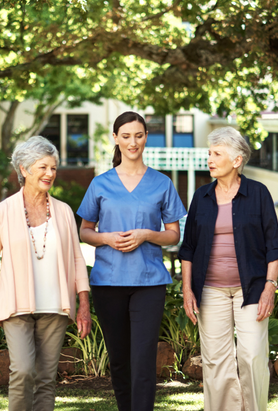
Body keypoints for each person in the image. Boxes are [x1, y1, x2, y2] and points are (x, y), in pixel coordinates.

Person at [77, 111, 186, 411]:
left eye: (138, 135)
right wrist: (106, 239)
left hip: (148, 284)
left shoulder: (162, 183)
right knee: (120, 361)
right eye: (126, 136)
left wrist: (147, 235)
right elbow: (84, 231)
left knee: (142, 359)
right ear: (115, 138)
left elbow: (173, 234)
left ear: (145, 138)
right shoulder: (100, 184)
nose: (132, 142)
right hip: (108, 282)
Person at [0, 135, 92, 411]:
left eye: (53, 168)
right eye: (43, 167)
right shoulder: (2, 211)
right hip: (16, 306)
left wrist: (83, 303)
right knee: (23, 371)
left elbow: (77, 258)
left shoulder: (63, 211)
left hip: (56, 306)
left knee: (46, 379)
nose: (50, 173)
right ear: (24, 169)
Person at [179, 126, 278, 411]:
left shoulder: (258, 194)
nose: (210, 159)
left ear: (237, 160)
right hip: (210, 289)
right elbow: (187, 248)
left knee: (251, 356)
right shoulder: (201, 197)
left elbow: (274, 246)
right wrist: (187, 290)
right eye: (209, 153)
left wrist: (269, 287)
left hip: (251, 290)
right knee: (215, 361)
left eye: (217, 154)